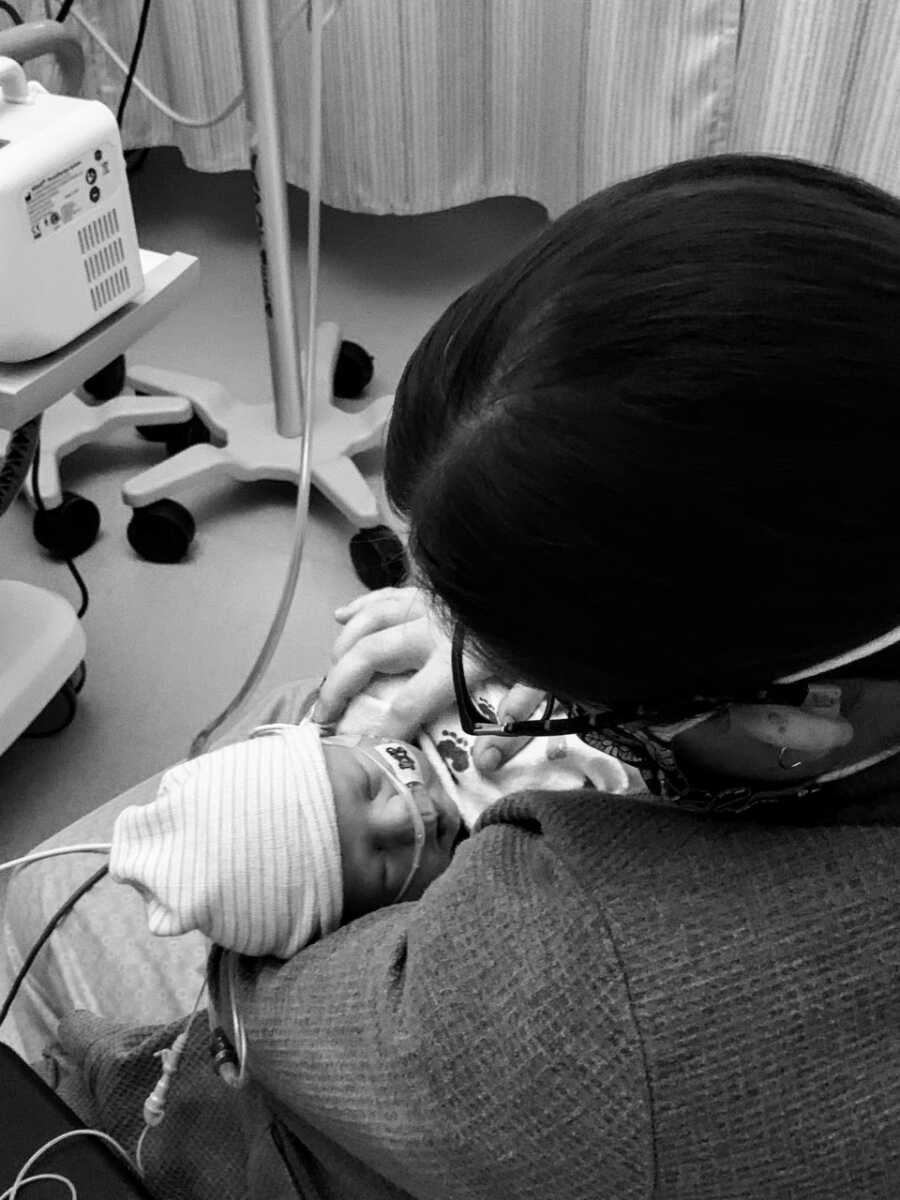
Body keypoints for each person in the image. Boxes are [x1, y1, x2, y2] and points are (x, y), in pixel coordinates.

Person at [4, 151, 900, 1199]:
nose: (499, 701)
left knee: (49, 906)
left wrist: (287, 880)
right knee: (342, 710)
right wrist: (489, 624)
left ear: (780, 719)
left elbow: (310, 1019)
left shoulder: (598, 1003)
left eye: (540, 678)